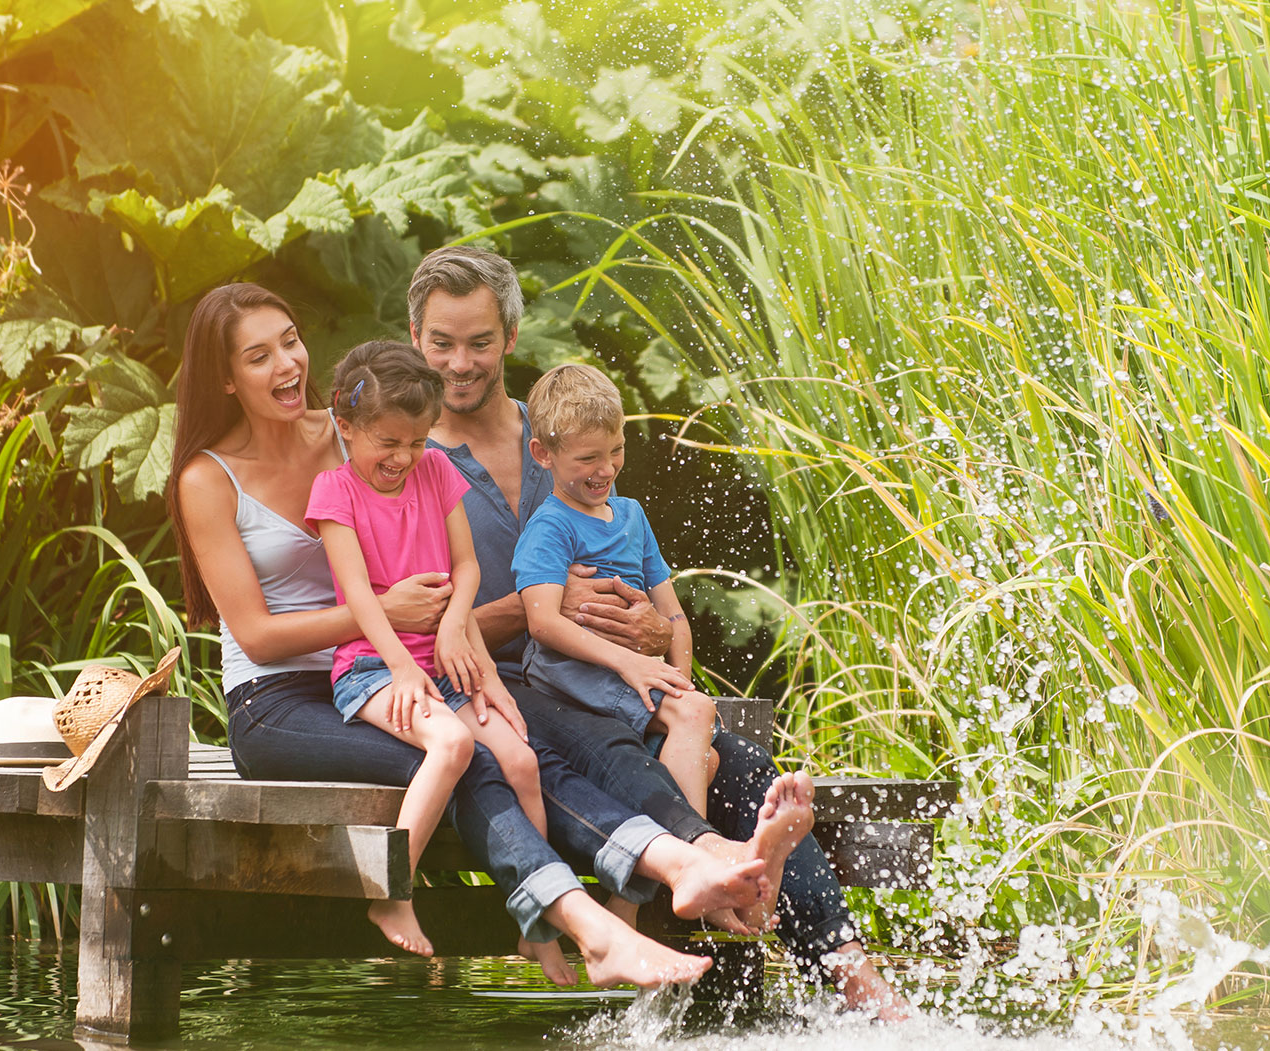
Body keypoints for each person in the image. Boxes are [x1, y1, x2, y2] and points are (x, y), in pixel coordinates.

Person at [165, 283, 809, 990]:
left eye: (290, 340)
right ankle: (595, 928)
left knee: (531, 743)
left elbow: (442, 535)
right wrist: (392, 613)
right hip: (281, 701)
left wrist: (472, 643)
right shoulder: (208, 477)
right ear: (225, 377)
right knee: (470, 756)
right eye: (258, 356)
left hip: (408, 663)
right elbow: (256, 636)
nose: (287, 363)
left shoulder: (359, 425)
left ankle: (693, 856)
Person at [409, 246, 912, 1019]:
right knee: (621, 754)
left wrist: (649, 626)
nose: (460, 363)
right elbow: (415, 625)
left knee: (741, 763)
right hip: (495, 690)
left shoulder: (567, 427)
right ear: (415, 338)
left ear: (510, 335)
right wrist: (537, 608)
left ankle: (860, 985)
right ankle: (712, 877)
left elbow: (630, 571)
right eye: (442, 343)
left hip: (601, 675)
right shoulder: (406, 462)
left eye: (479, 341)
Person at [306, 339, 544, 958]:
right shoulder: (335, 492)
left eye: (416, 441)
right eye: (388, 441)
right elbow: (361, 598)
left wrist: (452, 626)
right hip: (372, 667)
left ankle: (536, 915)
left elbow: (466, 568)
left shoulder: (436, 470)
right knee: (454, 743)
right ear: (346, 425)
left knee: (521, 762)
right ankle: (391, 891)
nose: (403, 457)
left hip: (440, 661)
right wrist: (402, 667)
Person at [516, 363, 718, 815]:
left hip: (628, 672)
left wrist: (680, 679)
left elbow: (673, 615)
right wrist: (632, 664)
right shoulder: (551, 526)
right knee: (695, 714)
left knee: (706, 754)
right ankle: (696, 847)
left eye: (617, 450)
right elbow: (542, 623)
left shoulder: (632, 516)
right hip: (573, 674)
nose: (606, 469)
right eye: (587, 458)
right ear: (543, 454)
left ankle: (656, 855)